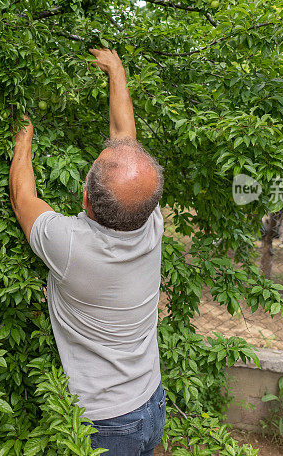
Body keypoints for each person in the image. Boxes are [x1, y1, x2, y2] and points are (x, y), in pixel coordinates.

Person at [9, 48, 166, 455]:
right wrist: (116, 70)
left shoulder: (71, 246)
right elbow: (125, 142)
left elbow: (22, 196)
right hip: (151, 401)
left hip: (108, 425)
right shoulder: (149, 220)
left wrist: (23, 134)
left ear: (86, 200)